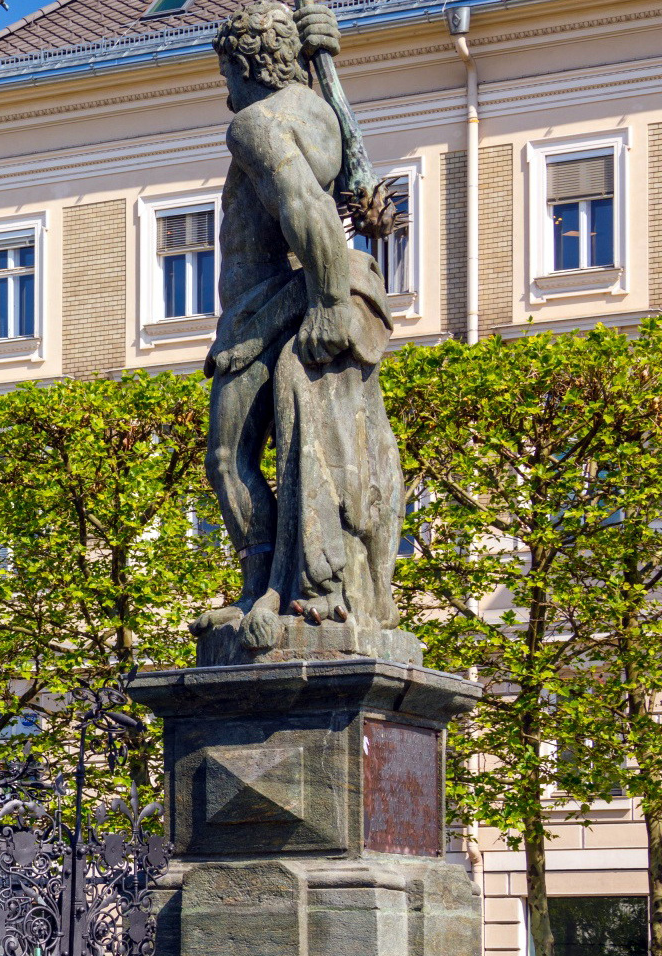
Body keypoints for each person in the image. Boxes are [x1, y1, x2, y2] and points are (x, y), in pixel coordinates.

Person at [192, 1, 402, 658]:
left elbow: (305, 206)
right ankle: (281, 587)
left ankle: (262, 586)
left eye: (225, 69)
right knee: (297, 451)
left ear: (243, 62)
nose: (223, 87)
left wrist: (330, 300)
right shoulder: (319, 113)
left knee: (229, 458)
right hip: (302, 293)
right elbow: (345, 185)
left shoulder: (256, 123)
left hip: (264, 307)